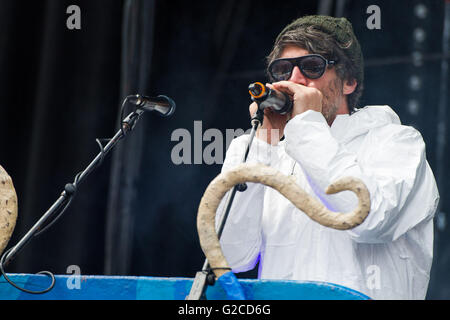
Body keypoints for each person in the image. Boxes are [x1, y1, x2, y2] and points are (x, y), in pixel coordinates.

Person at [216, 15, 439, 300]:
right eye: (283, 70)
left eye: (311, 66)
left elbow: (367, 219)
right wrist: (262, 145)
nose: (295, 79)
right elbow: (231, 256)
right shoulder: (272, 155)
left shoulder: (397, 143)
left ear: (349, 82)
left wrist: (306, 125)